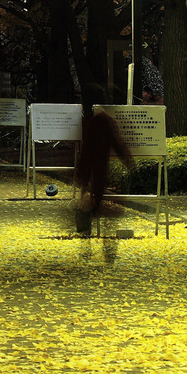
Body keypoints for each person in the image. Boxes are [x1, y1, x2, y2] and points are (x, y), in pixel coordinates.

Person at [73, 83, 135, 260]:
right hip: (98, 169)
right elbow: (116, 143)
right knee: (100, 207)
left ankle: (87, 245)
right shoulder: (104, 121)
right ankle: (107, 251)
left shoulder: (92, 121)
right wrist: (128, 160)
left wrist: (80, 174)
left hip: (90, 169)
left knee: (91, 205)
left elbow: (85, 150)